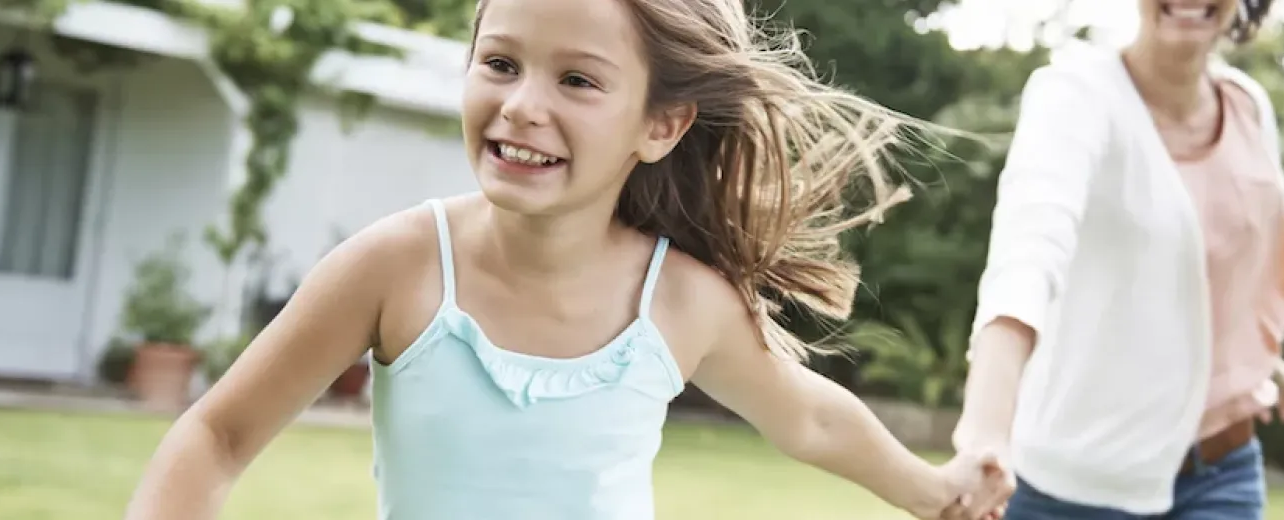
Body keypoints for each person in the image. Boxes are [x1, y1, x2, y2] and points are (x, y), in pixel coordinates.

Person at [122, 0, 1012, 519]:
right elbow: (216, 436)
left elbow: (810, 419)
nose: (521, 106)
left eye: (577, 80)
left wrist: (936, 493)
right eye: (500, 64)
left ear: (661, 125)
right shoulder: (398, 267)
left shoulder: (679, 302)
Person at [949, 0, 1284, 518]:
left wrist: (1250, 356)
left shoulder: (1249, 107)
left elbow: (1223, 258)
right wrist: (985, 429)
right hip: (1075, 485)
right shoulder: (1076, 94)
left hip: (1222, 472)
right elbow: (1026, 258)